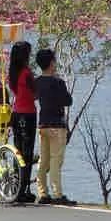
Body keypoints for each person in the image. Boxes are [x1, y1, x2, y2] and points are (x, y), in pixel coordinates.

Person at [34, 48, 76, 206]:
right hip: (57, 125)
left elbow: (35, 97)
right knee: (55, 161)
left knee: (43, 161)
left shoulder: (37, 82)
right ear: (51, 63)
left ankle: (42, 193)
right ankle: (57, 194)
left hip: (42, 124)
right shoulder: (58, 82)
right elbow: (68, 101)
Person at [8, 41, 36, 203]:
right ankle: (23, 190)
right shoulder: (26, 73)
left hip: (16, 114)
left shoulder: (12, 72)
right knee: (27, 153)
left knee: (17, 151)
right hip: (28, 114)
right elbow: (35, 93)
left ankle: (15, 187)